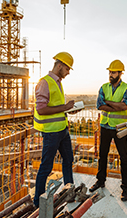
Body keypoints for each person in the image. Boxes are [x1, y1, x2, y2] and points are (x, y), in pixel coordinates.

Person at [33, 52, 78, 207]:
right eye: (67, 68)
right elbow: (42, 110)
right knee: (46, 166)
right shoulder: (45, 83)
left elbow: (56, 107)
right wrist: (64, 107)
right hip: (51, 132)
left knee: (68, 160)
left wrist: (68, 110)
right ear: (59, 66)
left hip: (62, 130)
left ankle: (69, 192)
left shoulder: (58, 82)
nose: (68, 72)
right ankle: (38, 201)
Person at [89, 59, 127, 202]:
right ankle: (100, 181)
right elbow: (99, 106)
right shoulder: (104, 87)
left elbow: (124, 106)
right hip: (105, 126)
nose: (111, 74)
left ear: (120, 73)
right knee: (102, 155)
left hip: (120, 127)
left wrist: (108, 102)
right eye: (110, 72)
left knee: (124, 157)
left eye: (113, 72)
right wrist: (115, 105)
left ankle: (125, 187)